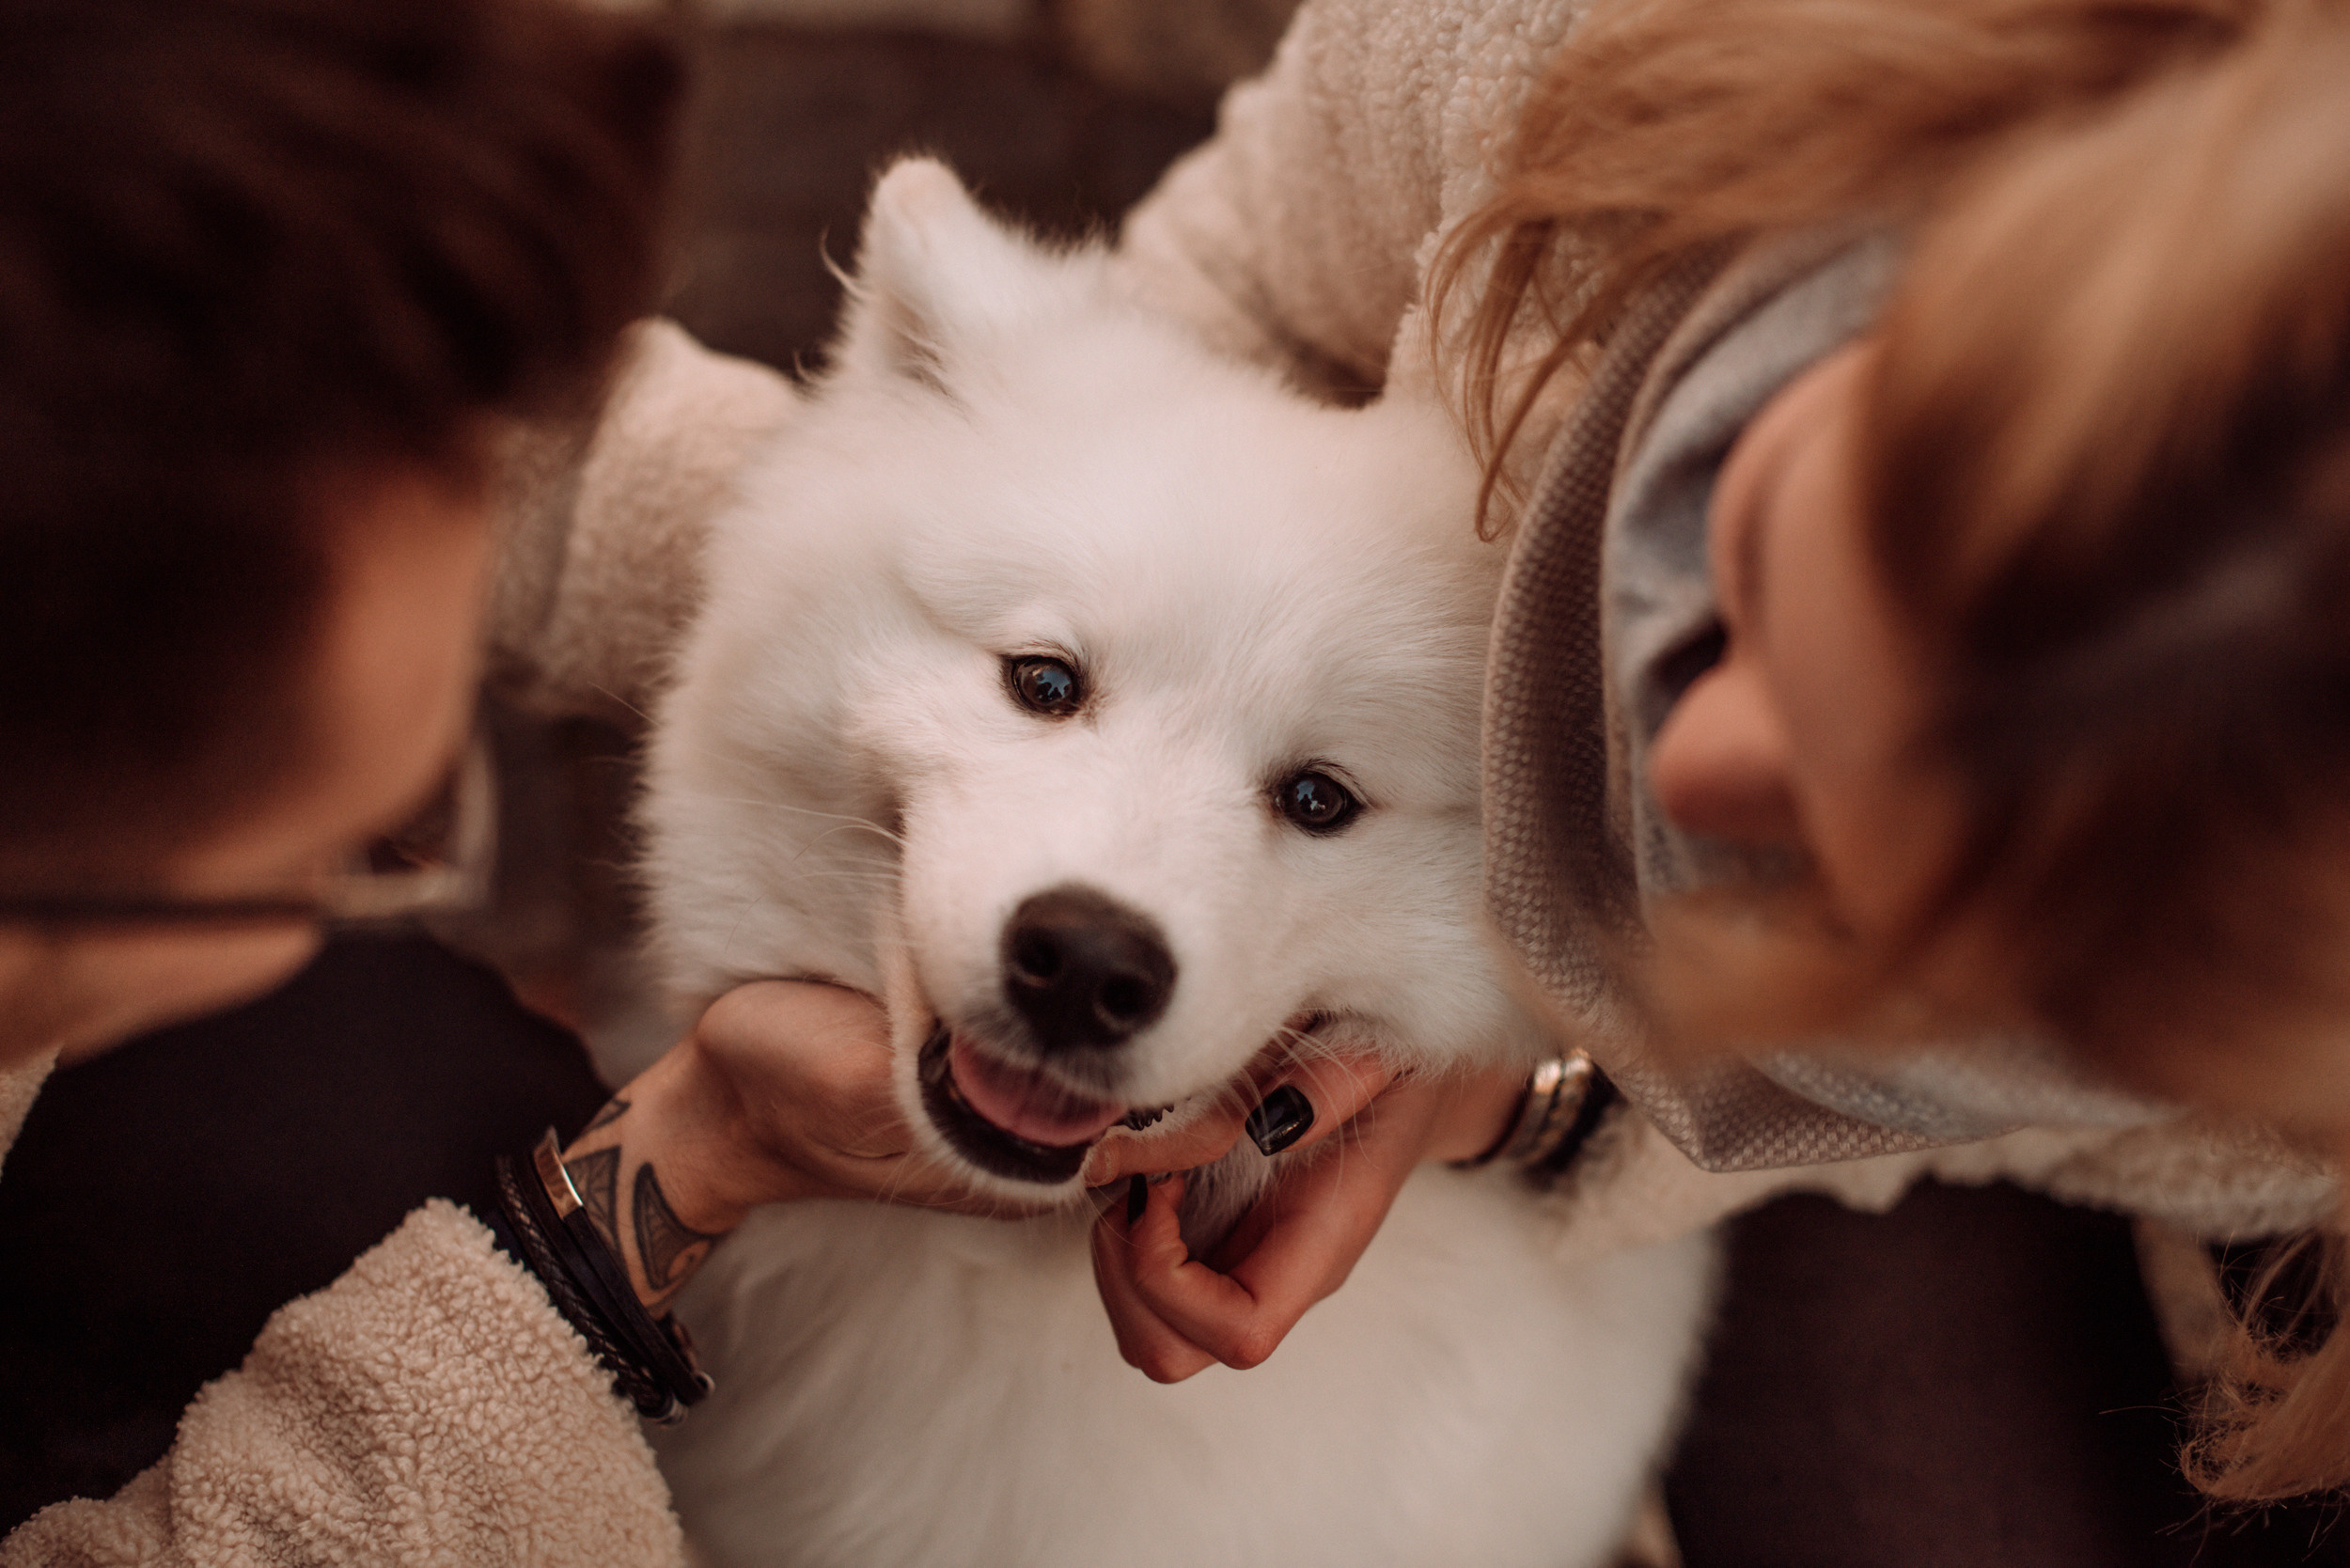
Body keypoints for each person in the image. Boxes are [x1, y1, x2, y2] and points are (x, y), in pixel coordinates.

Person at [1087, 0, 2350, 1514]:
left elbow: (1995, 1118)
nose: (1687, 770)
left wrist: (1541, 1087)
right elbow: (1217, 302)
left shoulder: (2280, 1073)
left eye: (1829, 877)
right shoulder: (1585, 54)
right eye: (1746, 560)